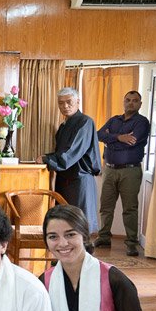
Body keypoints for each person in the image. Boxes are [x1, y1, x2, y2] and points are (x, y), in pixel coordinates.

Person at [36, 87, 101, 233]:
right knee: (65, 223)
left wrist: (48, 159)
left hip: (79, 179)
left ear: (78, 102)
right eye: (61, 103)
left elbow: (72, 152)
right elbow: (62, 151)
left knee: (78, 224)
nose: (65, 106)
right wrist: (48, 156)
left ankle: (83, 255)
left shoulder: (85, 122)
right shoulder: (65, 124)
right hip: (65, 178)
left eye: (69, 102)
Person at [95, 91, 150, 256]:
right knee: (106, 206)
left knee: (130, 208)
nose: (131, 103)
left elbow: (132, 143)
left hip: (130, 170)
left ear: (140, 104)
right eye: (128, 100)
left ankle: (131, 242)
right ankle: (103, 237)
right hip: (110, 169)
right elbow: (98, 135)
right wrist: (119, 138)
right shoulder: (114, 120)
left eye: (135, 100)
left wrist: (110, 140)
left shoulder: (142, 122)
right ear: (123, 102)